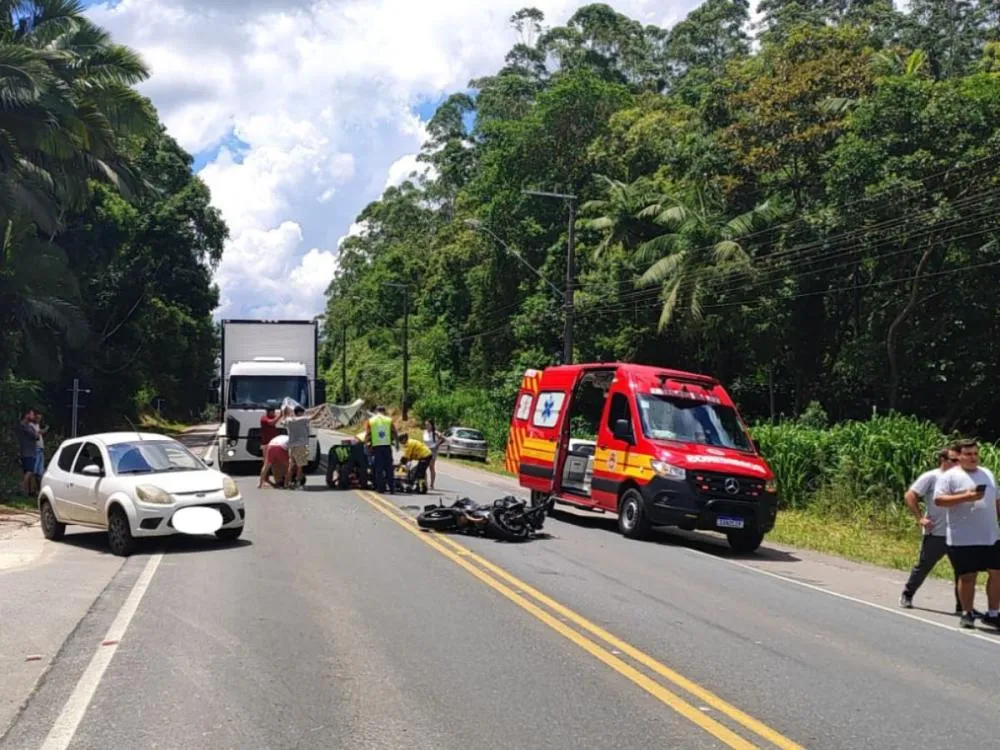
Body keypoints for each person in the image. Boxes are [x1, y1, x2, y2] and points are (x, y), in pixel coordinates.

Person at [933, 438, 1000, 629]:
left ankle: (993, 613)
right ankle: (967, 612)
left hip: (990, 535)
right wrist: (966, 497)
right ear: (959, 456)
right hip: (963, 537)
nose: (973, 458)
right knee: (968, 577)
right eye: (968, 454)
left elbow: (996, 500)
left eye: (976, 454)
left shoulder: (987, 473)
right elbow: (939, 500)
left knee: (997, 574)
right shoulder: (950, 476)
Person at [899, 447, 968, 614]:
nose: (958, 463)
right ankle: (907, 594)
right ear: (943, 460)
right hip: (936, 532)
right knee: (924, 566)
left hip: (958, 534)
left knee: (963, 571)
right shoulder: (932, 477)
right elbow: (910, 495)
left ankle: (962, 606)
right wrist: (920, 518)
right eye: (954, 460)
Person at [365, 405, 397, 494]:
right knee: (389, 468)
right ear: (384, 411)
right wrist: (397, 443)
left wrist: (366, 444)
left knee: (379, 469)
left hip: (377, 447)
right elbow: (394, 432)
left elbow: (368, 434)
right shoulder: (389, 420)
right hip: (387, 446)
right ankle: (392, 488)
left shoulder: (371, 421)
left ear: (376, 411)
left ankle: (381, 488)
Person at [283, 404, 312, 489]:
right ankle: (298, 484)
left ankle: (286, 483)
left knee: (291, 466)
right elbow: (313, 417)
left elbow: (284, 418)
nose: (303, 414)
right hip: (301, 445)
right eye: (302, 413)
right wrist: (321, 410)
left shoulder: (289, 420)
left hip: (291, 446)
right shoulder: (302, 419)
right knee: (300, 466)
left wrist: (285, 410)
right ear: (299, 413)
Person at [16, 409, 38, 496]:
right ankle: (22, 487)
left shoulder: (28, 425)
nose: (33, 416)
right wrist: (36, 433)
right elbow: (35, 436)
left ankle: (26, 491)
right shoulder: (24, 425)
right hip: (28, 451)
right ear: (27, 415)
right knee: (29, 471)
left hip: (28, 451)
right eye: (32, 414)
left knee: (27, 472)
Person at [422, 420, 445, 490]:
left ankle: (431, 484)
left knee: (431, 467)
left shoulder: (435, 432)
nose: (427, 426)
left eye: (428, 425)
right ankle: (425, 483)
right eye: (426, 425)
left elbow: (443, 439)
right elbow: (424, 441)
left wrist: (437, 445)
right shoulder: (425, 432)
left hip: (432, 450)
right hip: (425, 450)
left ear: (431, 425)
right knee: (423, 467)